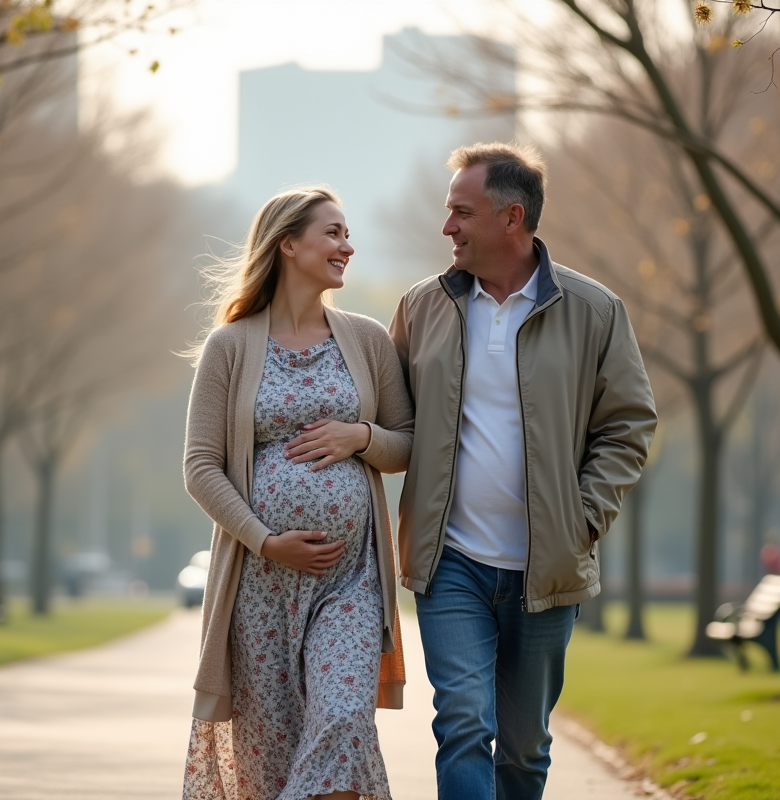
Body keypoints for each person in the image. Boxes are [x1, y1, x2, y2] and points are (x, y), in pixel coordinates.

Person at [389, 143, 657, 799]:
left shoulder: (595, 311)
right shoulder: (423, 308)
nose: (447, 227)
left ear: (512, 218)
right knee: (462, 724)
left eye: (461, 211)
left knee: (524, 750)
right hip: (448, 561)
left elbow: (628, 426)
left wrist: (582, 520)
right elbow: (394, 423)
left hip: (547, 567)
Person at [182, 187, 414, 800]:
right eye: (333, 233)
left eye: (347, 234)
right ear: (288, 243)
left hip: (350, 580)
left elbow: (409, 445)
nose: (348, 246)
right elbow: (201, 466)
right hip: (259, 586)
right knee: (272, 752)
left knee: (342, 721)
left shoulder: (365, 340)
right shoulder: (229, 347)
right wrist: (265, 541)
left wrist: (360, 435)